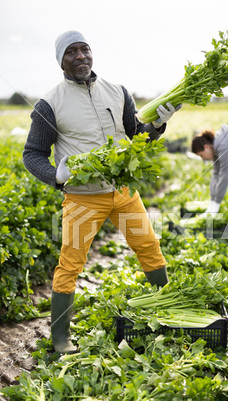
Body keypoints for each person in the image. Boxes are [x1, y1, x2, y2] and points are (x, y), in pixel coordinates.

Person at [23, 30, 180, 354]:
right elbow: (32, 153)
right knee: (70, 264)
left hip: (122, 192)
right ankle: (61, 339)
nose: (80, 56)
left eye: (85, 49)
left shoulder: (118, 92)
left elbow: (138, 136)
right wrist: (57, 176)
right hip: (82, 197)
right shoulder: (49, 103)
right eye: (71, 52)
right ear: (61, 61)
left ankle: (169, 313)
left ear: (92, 54)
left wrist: (159, 126)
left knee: (149, 246)